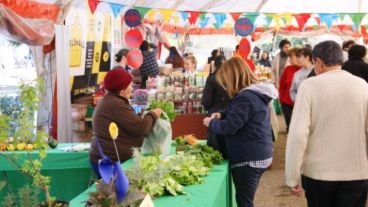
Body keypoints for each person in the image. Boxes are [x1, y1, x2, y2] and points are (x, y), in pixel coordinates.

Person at [285, 40, 368, 207]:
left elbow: (298, 134)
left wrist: (292, 175)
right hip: (357, 172)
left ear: (318, 62)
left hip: (318, 173)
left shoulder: (309, 86)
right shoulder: (362, 85)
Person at [203, 57, 278, 207]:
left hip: (249, 157)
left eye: (225, 81)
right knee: (245, 199)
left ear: (233, 78)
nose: (225, 85)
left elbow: (230, 127)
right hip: (258, 153)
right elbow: (240, 113)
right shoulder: (252, 93)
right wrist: (222, 114)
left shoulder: (246, 97)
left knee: (244, 202)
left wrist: (211, 122)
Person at [89, 69, 162, 177]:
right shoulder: (116, 104)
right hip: (110, 162)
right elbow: (140, 128)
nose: (132, 89)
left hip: (107, 157)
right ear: (121, 89)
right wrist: (153, 114)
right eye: (130, 85)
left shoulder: (112, 101)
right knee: (117, 191)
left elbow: (131, 125)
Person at [201, 55, 230, 157]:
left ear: (214, 65)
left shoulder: (212, 78)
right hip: (230, 115)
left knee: (215, 152)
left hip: (214, 115)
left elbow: (206, 101)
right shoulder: (232, 77)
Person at [278, 48, 302, 132]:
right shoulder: (288, 69)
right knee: (290, 126)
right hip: (287, 103)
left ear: (299, 56)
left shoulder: (306, 71)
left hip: (300, 103)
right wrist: (281, 99)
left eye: (291, 58)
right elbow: (281, 86)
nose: (290, 60)